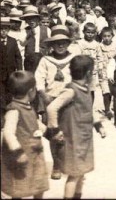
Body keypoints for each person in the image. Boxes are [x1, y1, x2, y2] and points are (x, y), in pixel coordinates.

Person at [46, 55, 107, 199]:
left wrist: (98, 125)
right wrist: (55, 130)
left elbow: (89, 109)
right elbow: (51, 108)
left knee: (81, 173)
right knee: (74, 175)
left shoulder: (85, 89)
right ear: (87, 74)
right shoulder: (71, 91)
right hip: (73, 140)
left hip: (83, 139)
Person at [35, 24, 77, 179]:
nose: (60, 45)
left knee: (68, 133)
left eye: (64, 42)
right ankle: (57, 165)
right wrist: (42, 93)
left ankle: (68, 162)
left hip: (68, 100)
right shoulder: (45, 60)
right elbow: (38, 78)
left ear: (68, 43)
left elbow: (79, 77)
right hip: (51, 100)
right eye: (56, 42)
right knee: (54, 134)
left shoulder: (73, 59)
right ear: (51, 44)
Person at [1, 71, 49, 199]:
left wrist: (47, 131)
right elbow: (8, 132)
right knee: (19, 187)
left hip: (34, 154)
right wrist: (18, 152)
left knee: (39, 184)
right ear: (31, 91)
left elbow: (34, 122)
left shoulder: (28, 107)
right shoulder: (14, 110)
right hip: (21, 156)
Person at [1, 17, 23, 119]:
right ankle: (1, 116)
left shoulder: (12, 41)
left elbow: (18, 57)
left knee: (10, 94)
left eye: (5, 29)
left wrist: (19, 71)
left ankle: (9, 115)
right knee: (1, 95)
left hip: (10, 73)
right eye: (1, 29)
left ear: (8, 30)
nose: (3, 31)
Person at [75, 23, 101, 102]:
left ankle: (90, 107)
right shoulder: (80, 43)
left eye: (92, 33)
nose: (90, 35)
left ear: (95, 33)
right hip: (82, 71)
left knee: (91, 90)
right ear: (83, 32)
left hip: (92, 71)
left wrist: (99, 68)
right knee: (81, 88)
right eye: (88, 32)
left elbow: (99, 57)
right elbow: (78, 56)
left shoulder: (96, 44)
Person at [96, 27, 116, 119]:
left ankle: (115, 108)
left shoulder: (115, 46)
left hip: (114, 72)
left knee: (114, 91)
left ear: (112, 36)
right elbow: (99, 59)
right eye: (104, 36)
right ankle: (107, 109)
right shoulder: (99, 46)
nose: (106, 38)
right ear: (101, 36)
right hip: (104, 71)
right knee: (106, 91)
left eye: (109, 36)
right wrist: (100, 70)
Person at [22, 6, 51, 72]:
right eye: (29, 19)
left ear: (38, 19)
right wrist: (29, 35)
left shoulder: (47, 30)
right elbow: (22, 45)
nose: (31, 21)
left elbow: (50, 45)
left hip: (43, 58)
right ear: (26, 20)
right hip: (29, 60)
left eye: (33, 19)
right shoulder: (24, 31)